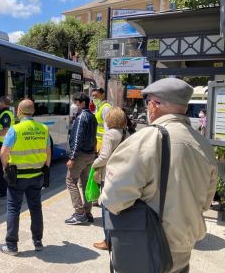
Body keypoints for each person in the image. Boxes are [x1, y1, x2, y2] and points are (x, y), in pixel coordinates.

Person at [100, 78, 217, 273]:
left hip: (147, 246)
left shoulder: (147, 138)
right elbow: (206, 202)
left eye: (148, 103)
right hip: (183, 248)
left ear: (154, 105)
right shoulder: (203, 144)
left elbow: (113, 199)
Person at [0, 99, 51, 255]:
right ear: (33, 111)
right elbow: (48, 153)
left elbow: (3, 153)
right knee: (36, 208)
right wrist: (45, 168)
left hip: (17, 177)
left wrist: (6, 167)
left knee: (14, 209)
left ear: (19, 112)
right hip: (37, 175)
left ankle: (12, 246)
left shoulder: (15, 130)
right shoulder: (43, 129)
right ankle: (38, 242)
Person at [91, 107, 127, 251]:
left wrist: (94, 165)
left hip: (109, 175)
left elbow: (104, 157)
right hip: (123, 173)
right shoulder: (125, 133)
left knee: (106, 208)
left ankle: (108, 241)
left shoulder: (110, 134)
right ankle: (118, 237)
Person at [65, 92, 97, 225]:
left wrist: (72, 157)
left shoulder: (81, 117)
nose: (75, 104)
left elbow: (77, 137)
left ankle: (79, 213)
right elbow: (94, 137)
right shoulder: (92, 116)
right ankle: (87, 212)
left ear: (82, 102)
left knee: (71, 181)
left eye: (76, 102)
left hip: (81, 155)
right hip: (90, 154)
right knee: (85, 184)